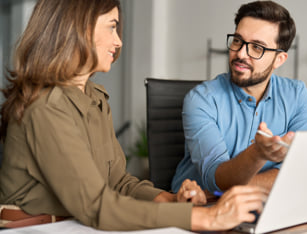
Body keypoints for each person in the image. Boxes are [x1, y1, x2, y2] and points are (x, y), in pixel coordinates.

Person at [0, 0, 267, 231]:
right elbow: (96, 206)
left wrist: (169, 200)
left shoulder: (94, 98)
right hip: (37, 227)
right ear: (80, 27)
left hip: (76, 224)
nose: (119, 41)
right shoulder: (47, 106)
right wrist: (206, 217)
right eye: (112, 26)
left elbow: (118, 182)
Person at [172, 1, 307, 194]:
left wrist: (244, 186)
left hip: (265, 205)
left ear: (279, 60)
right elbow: (215, 178)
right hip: (203, 208)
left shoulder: (296, 95)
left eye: (257, 47)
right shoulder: (201, 100)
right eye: (238, 40)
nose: (240, 53)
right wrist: (258, 154)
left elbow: (303, 169)